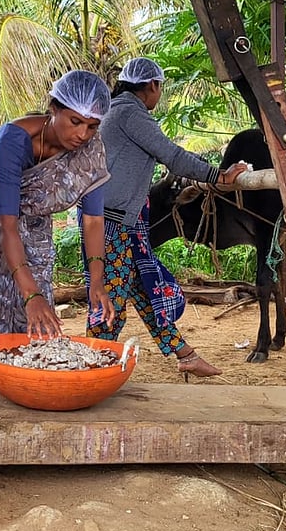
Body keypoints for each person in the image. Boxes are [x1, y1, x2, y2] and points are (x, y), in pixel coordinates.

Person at [86, 57, 247, 379]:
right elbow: (172, 155)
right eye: (160, 88)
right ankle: (90, 366)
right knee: (110, 301)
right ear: (152, 86)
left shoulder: (116, 111)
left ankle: (185, 354)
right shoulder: (130, 112)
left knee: (144, 291)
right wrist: (220, 176)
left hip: (117, 220)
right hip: (110, 223)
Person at [0, 70, 117, 380]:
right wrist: (31, 296)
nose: (82, 134)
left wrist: (96, 279)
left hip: (35, 233)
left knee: (39, 317)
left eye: (92, 126)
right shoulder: (14, 142)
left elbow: (94, 219)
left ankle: (30, 383)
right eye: (75, 121)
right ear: (53, 110)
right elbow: (7, 225)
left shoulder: (90, 152)